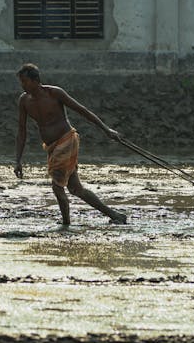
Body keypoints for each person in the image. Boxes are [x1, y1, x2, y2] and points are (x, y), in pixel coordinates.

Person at [14, 63, 127, 226]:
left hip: (67, 140)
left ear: (36, 80)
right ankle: (115, 215)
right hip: (52, 147)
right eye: (21, 82)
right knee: (76, 189)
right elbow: (21, 130)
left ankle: (65, 224)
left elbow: (82, 111)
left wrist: (106, 130)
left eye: (25, 81)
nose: (22, 85)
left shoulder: (54, 93)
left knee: (57, 186)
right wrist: (18, 160)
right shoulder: (24, 100)